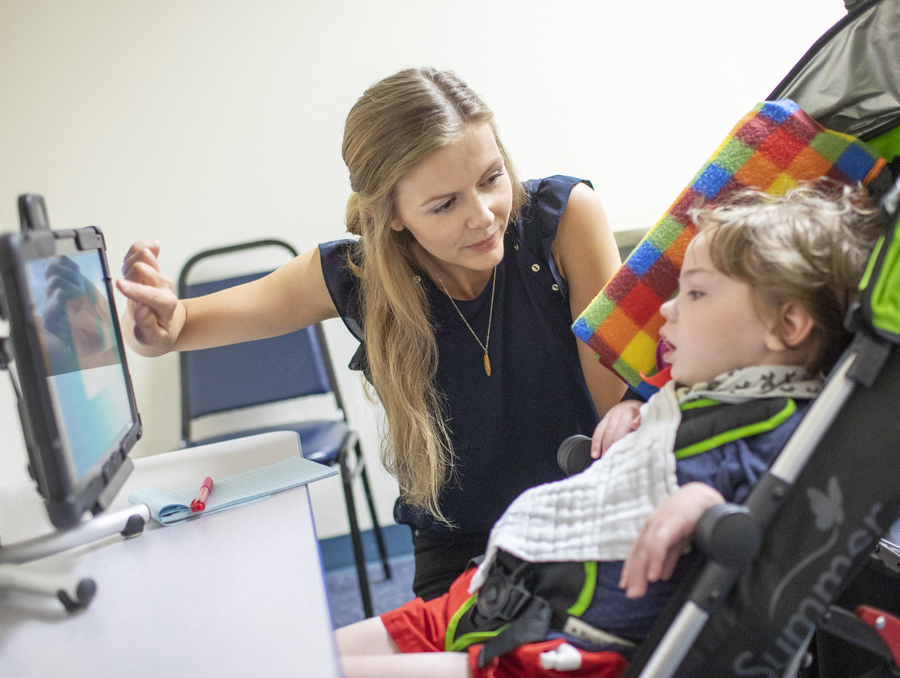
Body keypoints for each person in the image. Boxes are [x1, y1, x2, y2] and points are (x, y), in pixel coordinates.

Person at [116, 67, 626, 599]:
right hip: (461, 545)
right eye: (445, 204)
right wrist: (156, 327)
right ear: (395, 215)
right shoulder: (359, 275)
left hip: (586, 514)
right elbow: (179, 328)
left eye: (492, 178)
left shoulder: (562, 221)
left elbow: (618, 417)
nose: (483, 216)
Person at [335, 183, 882, 678]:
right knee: (312, 654)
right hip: (505, 598)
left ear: (786, 326)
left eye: (695, 293)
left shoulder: (784, 425)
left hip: (557, 649)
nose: (666, 310)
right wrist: (636, 412)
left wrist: (698, 500)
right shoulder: (699, 399)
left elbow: (775, 500)